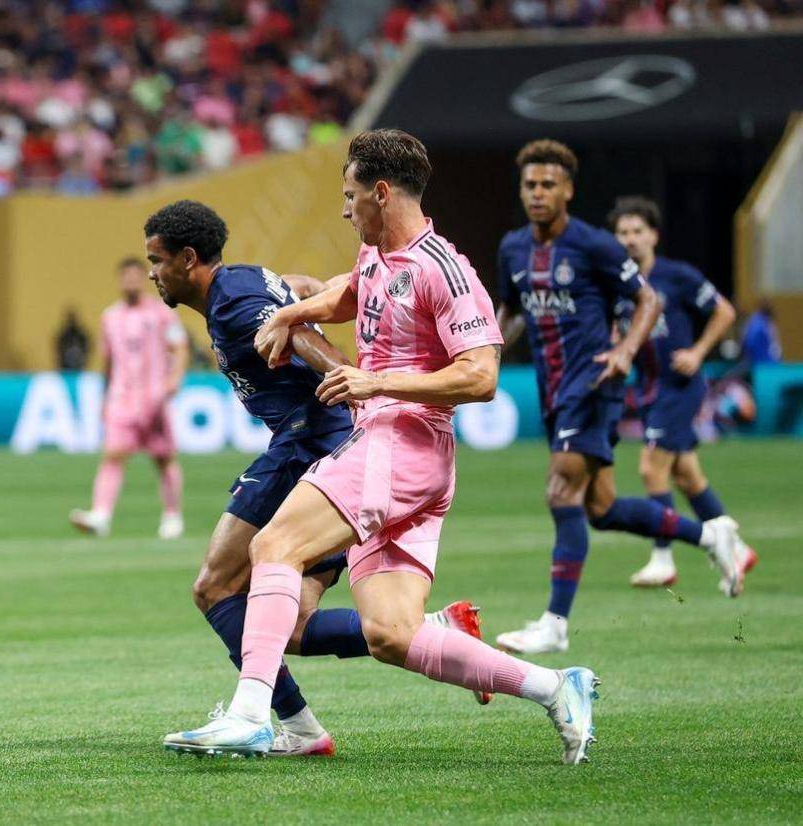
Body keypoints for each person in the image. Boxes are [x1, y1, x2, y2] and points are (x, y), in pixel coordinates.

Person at [164, 129, 600, 765]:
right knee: (391, 634)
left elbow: (480, 376)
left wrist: (377, 381)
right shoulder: (377, 253)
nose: (345, 209)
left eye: (350, 196)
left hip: (402, 444)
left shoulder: (444, 269)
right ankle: (556, 687)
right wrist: (292, 312)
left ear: (382, 192)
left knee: (273, 546)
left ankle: (252, 716)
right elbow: (353, 292)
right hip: (394, 451)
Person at [144, 200, 491, 757]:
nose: (152, 274)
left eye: (156, 261)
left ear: (188, 259)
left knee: (215, 587)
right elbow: (298, 290)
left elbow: (302, 338)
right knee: (293, 625)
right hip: (327, 439)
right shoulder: (246, 280)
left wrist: (350, 381)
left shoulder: (232, 303)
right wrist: (307, 297)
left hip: (308, 440)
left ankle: (277, 721)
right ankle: (431, 634)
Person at [493, 141, 746, 657]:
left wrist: (626, 350)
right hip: (552, 390)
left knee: (561, 491)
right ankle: (709, 537)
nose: (538, 193)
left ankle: (555, 625)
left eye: (548, 185)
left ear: (568, 190)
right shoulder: (513, 249)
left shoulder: (594, 245)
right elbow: (512, 309)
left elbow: (648, 298)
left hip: (594, 383)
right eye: (530, 185)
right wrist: (489, 353)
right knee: (602, 509)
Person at [608, 196, 757, 588]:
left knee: (650, 467)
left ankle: (663, 558)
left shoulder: (676, 276)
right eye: (622, 232)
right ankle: (739, 550)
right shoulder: (618, 285)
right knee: (688, 476)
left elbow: (724, 311)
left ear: (653, 236)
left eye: (637, 231)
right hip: (647, 387)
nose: (630, 239)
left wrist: (698, 351)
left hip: (679, 386)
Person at [69, 258, 189, 540]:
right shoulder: (110, 317)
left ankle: (172, 516)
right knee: (113, 455)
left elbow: (180, 347)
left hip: (154, 397)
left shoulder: (161, 313)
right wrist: (105, 396)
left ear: (143, 279)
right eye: (126, 277)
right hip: (122, 399)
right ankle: (101, 516)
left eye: (136, 276)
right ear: (120, 280)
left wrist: (174, 379)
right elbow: (108, 361)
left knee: (163, 458)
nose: (131, 282)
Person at [741, 301, 783, 366]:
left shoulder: (761, 322)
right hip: (761, 363)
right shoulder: (759, 323)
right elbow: (749, 342)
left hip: (761, 362)